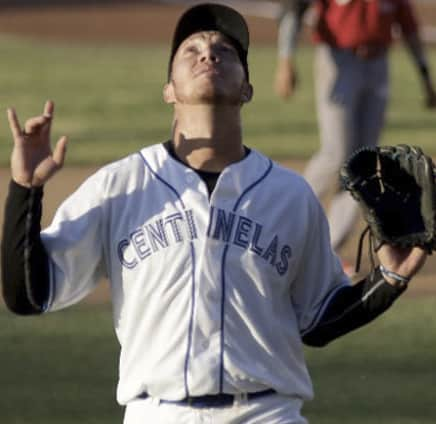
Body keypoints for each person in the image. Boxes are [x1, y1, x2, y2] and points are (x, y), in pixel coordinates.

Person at [1, 3, 428, 423]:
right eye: (192, 50)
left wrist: (387, 281)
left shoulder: (290, 195)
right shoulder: (121, 186)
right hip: (157, 414)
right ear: (168, 89)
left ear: (247, 89)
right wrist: (25, 189)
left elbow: (319, 319)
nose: (209, 53)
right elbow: (29, 294)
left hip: (268, 412)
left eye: (226, 51)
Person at [275, 0, 436, 265]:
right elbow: (294, 9)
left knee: (363, 163)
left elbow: (408, 28)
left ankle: (328, 251)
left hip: (378, 63)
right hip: (339, 59)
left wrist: (425, 77)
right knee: (335, 154)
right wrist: (285, 59)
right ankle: (286, 217)